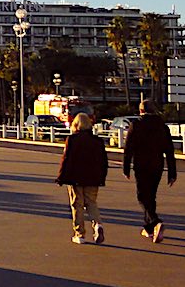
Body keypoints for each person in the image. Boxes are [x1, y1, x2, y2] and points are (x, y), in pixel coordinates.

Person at [122, 99, 177, 242]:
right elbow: (169, 151)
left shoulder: (136, 125)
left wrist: (126, 167)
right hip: (157, 165)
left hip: (141, 165)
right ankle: (149, 229)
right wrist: (172, 173)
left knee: (142, 196)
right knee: (151, 196)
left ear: (140, 111)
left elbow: (128, 149)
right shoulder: (162, 127)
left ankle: (155, 221)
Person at [55, 113, 109, 244]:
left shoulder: (72, 140)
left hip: (76, 177)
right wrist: (101, 177)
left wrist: (61, 177)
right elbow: (104, 162)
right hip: (93, 178)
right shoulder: (97, 141)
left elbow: (66, 159)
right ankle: (97, 224)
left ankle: (80, 234)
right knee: (91, 203)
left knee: (77, 204)